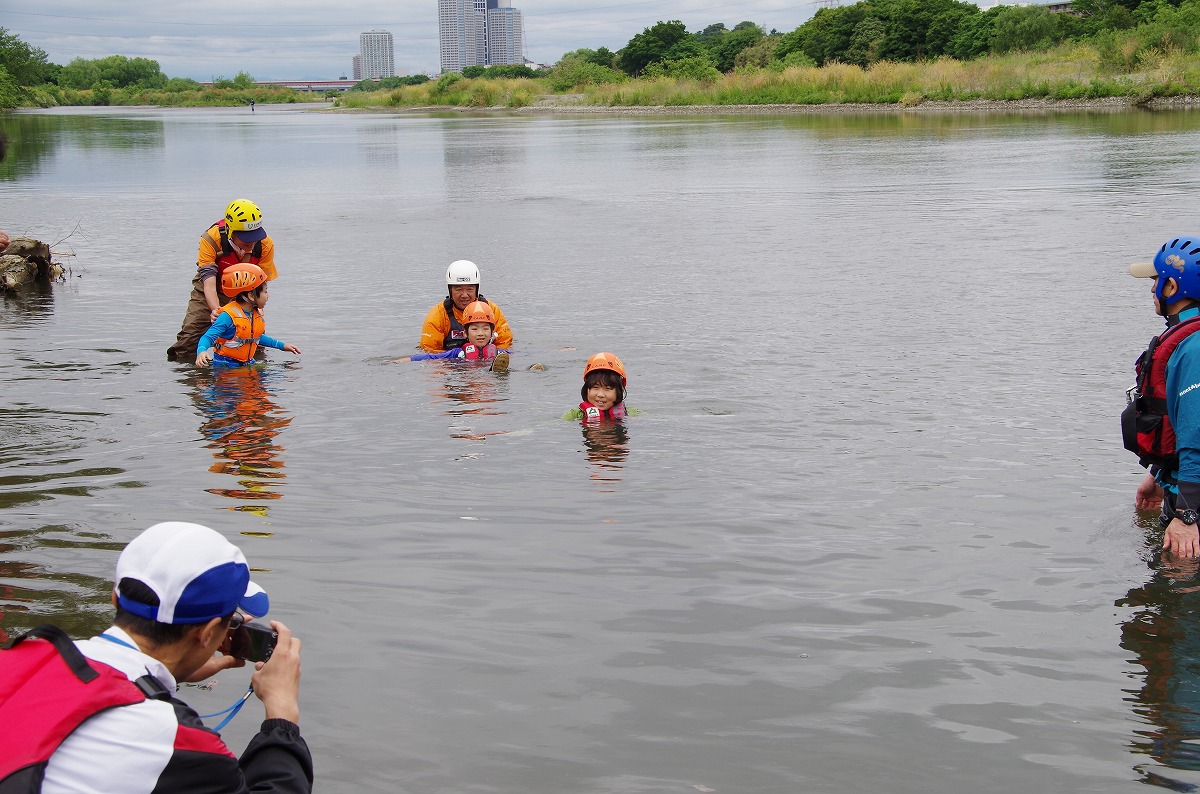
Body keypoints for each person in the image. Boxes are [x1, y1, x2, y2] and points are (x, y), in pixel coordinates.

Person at [0, 521, 313, 792]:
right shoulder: (172, 738)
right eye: (230, 620)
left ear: (115, 597)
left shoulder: (33, 655)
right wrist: (282, 714)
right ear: (207, 633)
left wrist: (168, 674)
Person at [1126, 235, 1200, 558]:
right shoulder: (1189, 339)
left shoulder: (1194, 350)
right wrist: (1158, 476)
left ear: (1172, 288)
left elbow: (1196, 434)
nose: (1150, 289)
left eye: (1155, 280)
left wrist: (1186, 514)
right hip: (1185, 492)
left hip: (1192, 508)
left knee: (1182, 599)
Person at [168, 199, 278, 361]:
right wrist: (218, 312)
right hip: (213, 286)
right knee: (189, 340)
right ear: (230, 231)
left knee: (253, 340)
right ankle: (193, 377)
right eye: (246, 238)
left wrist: (258, 310)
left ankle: (249, 378)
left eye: (255, 236)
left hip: (246, 291)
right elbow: (209, 284)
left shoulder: (265, 245)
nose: (252, 242)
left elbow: (261, 285)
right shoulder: (211, 239)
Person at [196, 263, 300, 367]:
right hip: (226, 366)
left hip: (246, 363)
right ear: (251, 295)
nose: (268, 296)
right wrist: (201, 351)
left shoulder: (253, 314)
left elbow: (255, 337)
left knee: (282, 373)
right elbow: (207, 337)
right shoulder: (227, 316)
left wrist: (282, 346)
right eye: (265, 291)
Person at [418, 260, 512, 354]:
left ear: (476, 289)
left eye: (470, 289)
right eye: (458, 289)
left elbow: (505, 343)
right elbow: (429, 351)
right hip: (453, 364)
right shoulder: (437, 315)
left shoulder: (492, 309)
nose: (464, 295)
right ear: (450, 290)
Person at [396, 300, 513, 370]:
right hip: (464, 376)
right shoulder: (458, 353)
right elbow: (432, 357)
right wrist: (408, 359)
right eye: (475, 329)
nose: (480, 333)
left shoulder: (499, 353)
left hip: (488, 379)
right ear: (466, 333)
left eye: (485, 329)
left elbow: (521, 355)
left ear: (492, 333)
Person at [562, 352, 638, 422]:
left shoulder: (630, 413)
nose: (600, 395)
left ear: (619, 391)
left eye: (607, 388)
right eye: (595, 387)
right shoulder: (575, 415)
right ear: (587, 389)